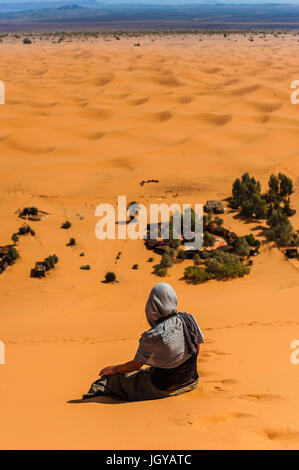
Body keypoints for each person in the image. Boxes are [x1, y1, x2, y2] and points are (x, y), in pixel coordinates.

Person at [83, 282, 204, 402]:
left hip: (162, 389)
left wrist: (114, 369)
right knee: (149, 371)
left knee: (111, 380)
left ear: (153, 305)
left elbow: (135, 365)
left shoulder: (152, 336)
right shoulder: (188, 320)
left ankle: (91, 397)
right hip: (191, 382)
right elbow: (197, 349)